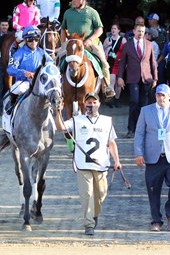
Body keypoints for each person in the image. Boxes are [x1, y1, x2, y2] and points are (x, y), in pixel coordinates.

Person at [55, 92, 121, 236]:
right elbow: (60, 128)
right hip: (82, 164)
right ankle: (89, 224)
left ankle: (94, 214)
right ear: (84, 104)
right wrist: (58, 112)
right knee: (87, 195)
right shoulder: (76, 120)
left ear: (99, 104)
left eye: (94, 102)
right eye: (89, 103)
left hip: (101, 164)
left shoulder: (106, 121)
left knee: (100, 195)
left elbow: (111, 142)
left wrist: (117, 160)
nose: (91, 105)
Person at [134, 84, 170, 232]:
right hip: (153, 156)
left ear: (169, 96)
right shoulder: (146, 111)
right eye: (158, 95)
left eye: (163, 95)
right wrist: (138, 153)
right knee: (153, 189)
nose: (160, 98)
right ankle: (156, 220)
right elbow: (139, 133)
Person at [60, 0, 115, 99]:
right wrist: (63, 44)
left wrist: (90, 39)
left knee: (103, 62)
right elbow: (63, 29)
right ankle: (57, 86)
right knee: (57, 59)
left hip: (89, 43)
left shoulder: (92, 12)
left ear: (83, 0)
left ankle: (107, 87)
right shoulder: (68, 13)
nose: (73, 1)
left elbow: (100, 29)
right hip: (72, 43)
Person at [2, 25, 52, 134]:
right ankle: (11, 108)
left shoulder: (42, 53)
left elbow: (51, 64)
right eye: (30, 39)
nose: (33, 42)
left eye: (36, 39)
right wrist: (24, 73)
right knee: (18, 88)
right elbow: (10, 69)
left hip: (39, 83)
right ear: (25, 39)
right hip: (24, 82)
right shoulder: (18, 53)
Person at [117, 23, 158, 138]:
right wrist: (120, 77)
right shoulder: (127, 46)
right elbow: (122, 63)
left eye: (143, 31)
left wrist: (155, 78)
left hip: (146, 78)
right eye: (139, 31)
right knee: (134, 102)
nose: (141, 33)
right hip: (133, 77)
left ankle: (142, 129)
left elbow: (153, 63)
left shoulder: (149, 44)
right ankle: (131, 129)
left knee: (144, 105)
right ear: (134, 31)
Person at [103, 23, 126, 108]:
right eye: (112, 28)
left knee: (119, 83)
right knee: (111, 81)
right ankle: (111, 100)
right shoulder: (107, 39)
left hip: (120, 62)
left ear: (119, 30)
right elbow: (102, 48)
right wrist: (107, 45)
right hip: (110, 62)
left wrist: (124, 60)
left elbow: (126, 51)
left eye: (115, 28)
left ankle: (117, 99)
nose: (113, 30)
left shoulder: (123, 39)